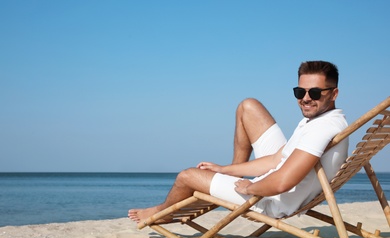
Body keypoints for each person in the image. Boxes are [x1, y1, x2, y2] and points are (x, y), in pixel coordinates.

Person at [129, 60, 349, 222]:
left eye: (316, 92)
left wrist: (251, 187)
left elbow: (283, 182)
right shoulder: (318, 120)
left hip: (272, 201)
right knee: (248, 106)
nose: (306, 98)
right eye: (300, 91)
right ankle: (224, 179)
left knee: (186, 177)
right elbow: (276, 159)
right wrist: (227, 169)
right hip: (274, 179)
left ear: (334, 93)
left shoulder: (322, 128)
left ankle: (162, 213)